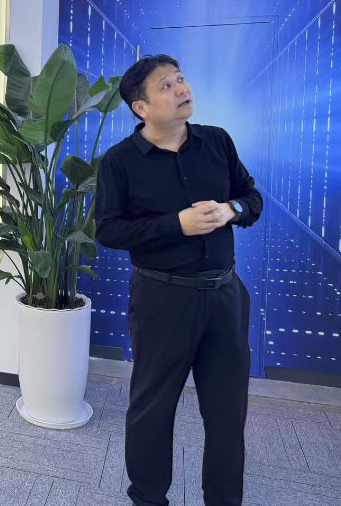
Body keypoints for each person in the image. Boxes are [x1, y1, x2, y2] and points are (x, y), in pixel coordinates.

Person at [95, 55, 263, 506]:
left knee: (228, 414)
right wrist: (177, 225)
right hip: (161, 297)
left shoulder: (217, 141)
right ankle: (148, 499)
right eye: (166, 86)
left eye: (181, 80)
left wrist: (231, 210)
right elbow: (108, 231)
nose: (182, 89)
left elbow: (251, 197)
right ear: (141, 108)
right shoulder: (120, 161)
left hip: (225, 295)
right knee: (152, 409)